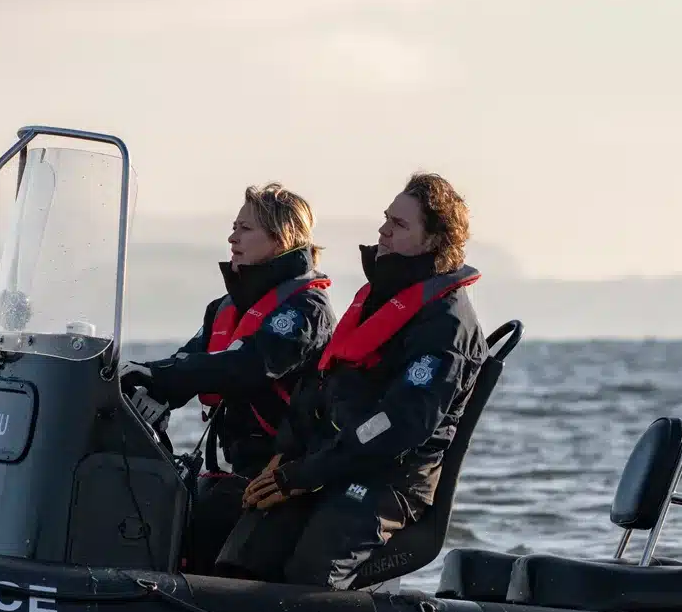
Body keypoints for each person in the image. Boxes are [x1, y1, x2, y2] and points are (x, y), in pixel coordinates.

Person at [216, 172, 488, 589]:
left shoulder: (447, 326)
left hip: (389, 481)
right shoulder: (379, 300)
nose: (382, 231)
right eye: (385, 219)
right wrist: (286, 457)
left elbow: (398, 424)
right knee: (245, 553)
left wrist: (306, 474)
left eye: (398, 224)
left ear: (434, 240)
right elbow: (320, 386)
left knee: (311, 571)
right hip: (332, 463)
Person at [120, 183, 337, 574]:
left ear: (281, 238)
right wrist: (143, 384)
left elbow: (247, 366)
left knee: (218, 553)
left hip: (283, 474)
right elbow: (190, 362)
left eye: (245, 229)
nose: (232, 238)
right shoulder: (225, 308)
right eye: (234, 227)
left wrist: (163, 375)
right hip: (236, 471)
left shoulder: (305, 310)